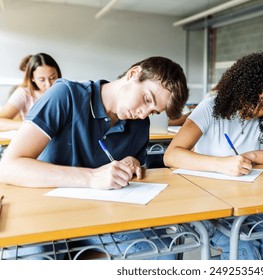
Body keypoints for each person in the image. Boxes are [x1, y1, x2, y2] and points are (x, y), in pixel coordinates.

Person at [0, 56, 189, 259]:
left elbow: (136, 173)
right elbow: (8, 167)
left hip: (101, 217)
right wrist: (91, 177)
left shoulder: (139, 124)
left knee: (165, 252)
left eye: (153, 112)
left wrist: (132, 164)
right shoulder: (66, 95)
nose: (143, 114)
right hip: (45, 212)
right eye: (147, 99)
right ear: (133, 74)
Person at [164, 51, 263, 260]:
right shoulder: (210, 107)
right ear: (241, 87)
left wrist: (252, 156)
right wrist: (221, 164)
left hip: (251, 201)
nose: (255, 110)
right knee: (243, 250)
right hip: (211, 202)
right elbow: (171, 155)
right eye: (252, 99)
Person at [0, 53, 62, 130]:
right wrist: (30, 125)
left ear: (58, 74)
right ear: (32, 78)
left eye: (52, 77)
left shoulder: (66, 92)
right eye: (41, 80)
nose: (48, 84)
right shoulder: (24, 93)